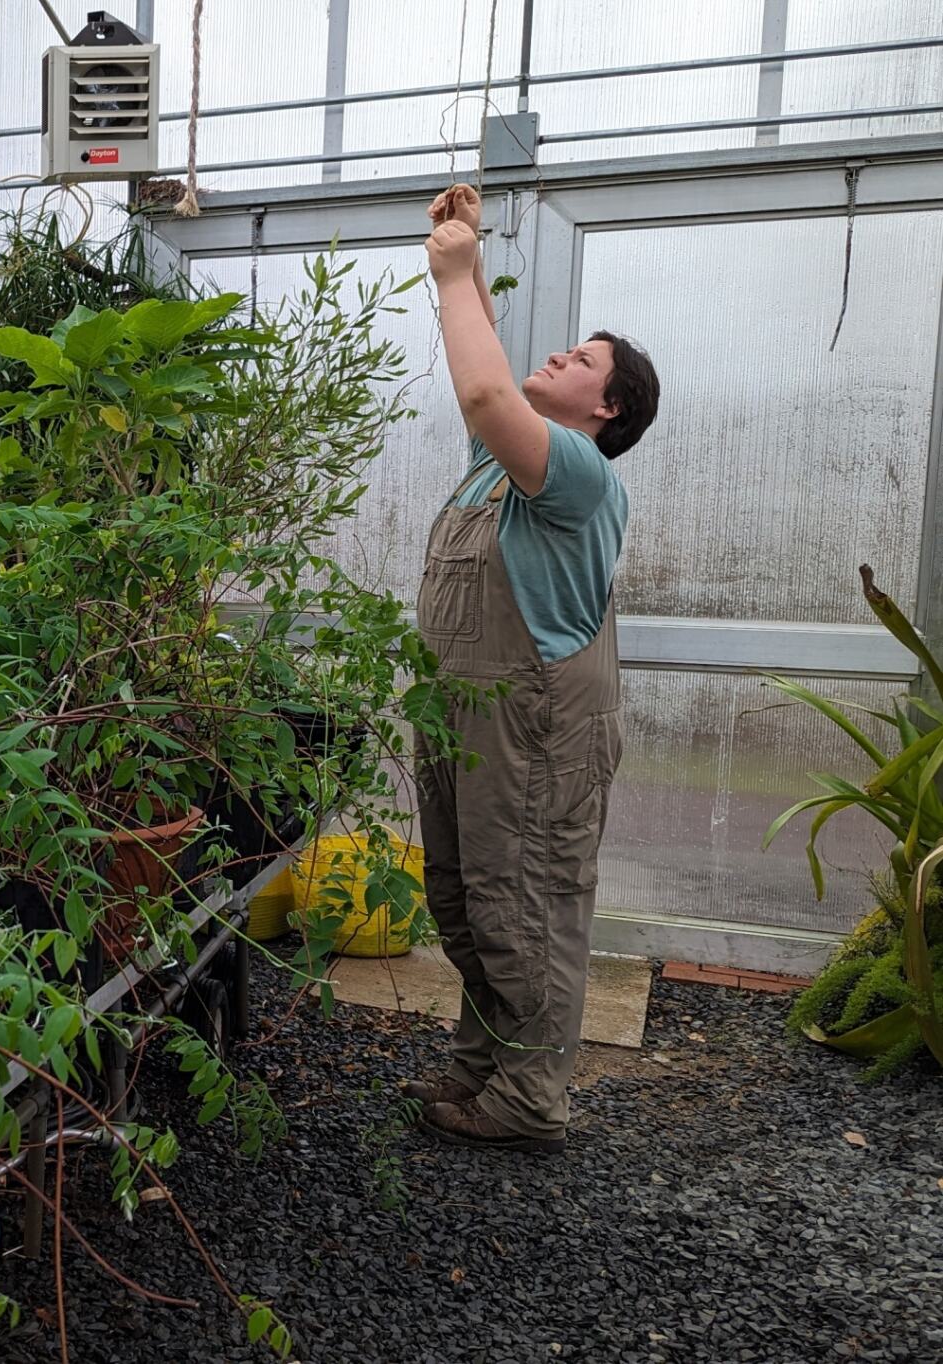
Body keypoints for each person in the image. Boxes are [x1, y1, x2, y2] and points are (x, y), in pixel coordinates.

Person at [410, 185, 661, 1154]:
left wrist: (450, 270)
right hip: (467, 712)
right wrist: (462, 262)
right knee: (465, 895)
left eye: (581, 358)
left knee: (526, 898)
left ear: (606, 406)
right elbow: (485, 386)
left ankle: (528, 1098)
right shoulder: (498, 464)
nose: (555, 355)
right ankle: (483, 1065)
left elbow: (482, 389)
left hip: (533, 721)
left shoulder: (577, 471)